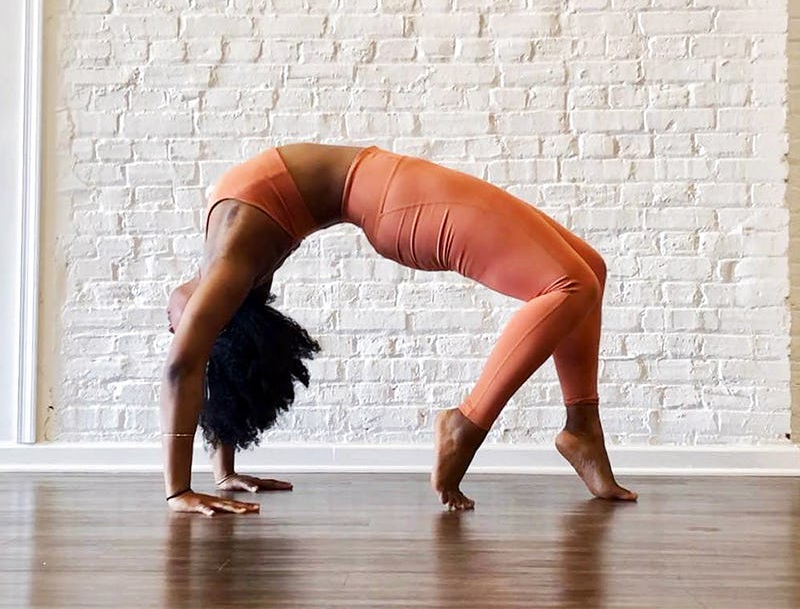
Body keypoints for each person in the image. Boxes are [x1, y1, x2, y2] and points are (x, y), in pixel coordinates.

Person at [162, 143, 637, 515]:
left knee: (590, 269)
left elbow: (198, 363)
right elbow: (192, 367)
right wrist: (181, 490)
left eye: (185, 330)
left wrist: (221, 473)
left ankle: (582, 428)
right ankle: (465, 425)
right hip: (394, 201)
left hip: (390, 189)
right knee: (570, 284)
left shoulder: (230, 261)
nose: (177, 331)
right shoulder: (233, 266)